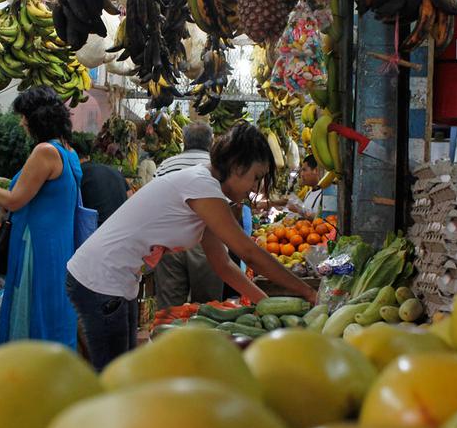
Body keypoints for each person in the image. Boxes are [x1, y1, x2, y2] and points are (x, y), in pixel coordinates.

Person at [66, 122, 318, 370]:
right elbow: (249, 253)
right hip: (100, 278)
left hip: (118, 280)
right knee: (114, 374)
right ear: (238, 166)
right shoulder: (201, 184)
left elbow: (223, 264)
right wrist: (308, 293)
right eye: (256, 177)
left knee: (124, 369)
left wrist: (266, 305)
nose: (255, 187)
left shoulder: (206, 189)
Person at [0, 87, 79, 348]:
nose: (21, 122)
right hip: (58, 246)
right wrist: (0, 182)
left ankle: (29, 373)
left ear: (36, 117)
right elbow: (39, 189)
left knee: (31, 312)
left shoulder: (44, 151)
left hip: (36, 246)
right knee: (53, 312)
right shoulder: (67, 151)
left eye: (24, 116)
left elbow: (16, 200)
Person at [152, 122, 224, 310]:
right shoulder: (218, 168)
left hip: (169, 243)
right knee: (208, 309)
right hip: (206, 245)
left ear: (184, 141)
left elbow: (154, 203)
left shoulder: (165, 166)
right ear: (211, 142)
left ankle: (167, 338)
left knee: (169, 310)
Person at [73, 135, 130, 225]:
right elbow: (130, 195)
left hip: (96, 232)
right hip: (122, 226)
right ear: (88, 156)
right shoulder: (115, 171)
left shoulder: (77, 175)